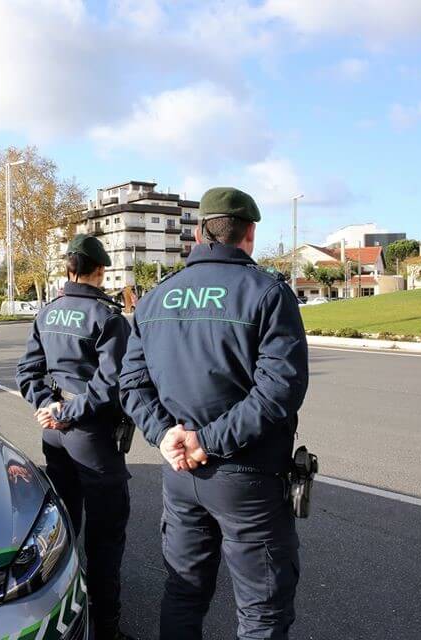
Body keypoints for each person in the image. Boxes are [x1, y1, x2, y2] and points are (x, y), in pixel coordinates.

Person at [120, 187, 309, 640]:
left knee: (183, 594)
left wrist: (165, 435)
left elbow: (131, 384)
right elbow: (279, 389)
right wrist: (207, 440)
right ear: (250, 234)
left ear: (200, 232)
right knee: (262, 612)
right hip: (248, 477)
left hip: (181, 476)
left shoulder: (156, 297)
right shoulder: (266, 293)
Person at [17, 233, 134, 640]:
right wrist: (69, 410)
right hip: (91, 435)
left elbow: (27, 372)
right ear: (100, 271)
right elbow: (112, 383)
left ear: (69, 270)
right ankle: (107, 629)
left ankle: (62, 613)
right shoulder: (107, 316)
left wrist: (48, 406)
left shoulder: (47, 313)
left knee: (64, 526)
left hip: (55, 434)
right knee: (105, 537)